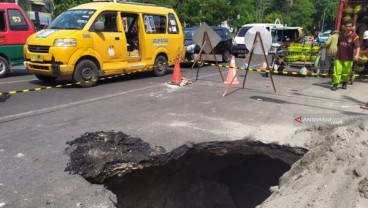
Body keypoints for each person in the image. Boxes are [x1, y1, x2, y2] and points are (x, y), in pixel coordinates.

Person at [332, 20, 360, 90]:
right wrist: (336, 52)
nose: (348, 28)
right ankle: (335, 84)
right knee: (337, 71)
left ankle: (344, 83)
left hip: (348, 58)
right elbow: (338, 45)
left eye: (350, 26)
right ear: (344, 27)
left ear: (352, 27)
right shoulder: (340, 35)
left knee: (346, 72)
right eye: (347, 26)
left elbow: (357, 47)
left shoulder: (354, 36)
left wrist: (357, 55)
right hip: (339, 57)